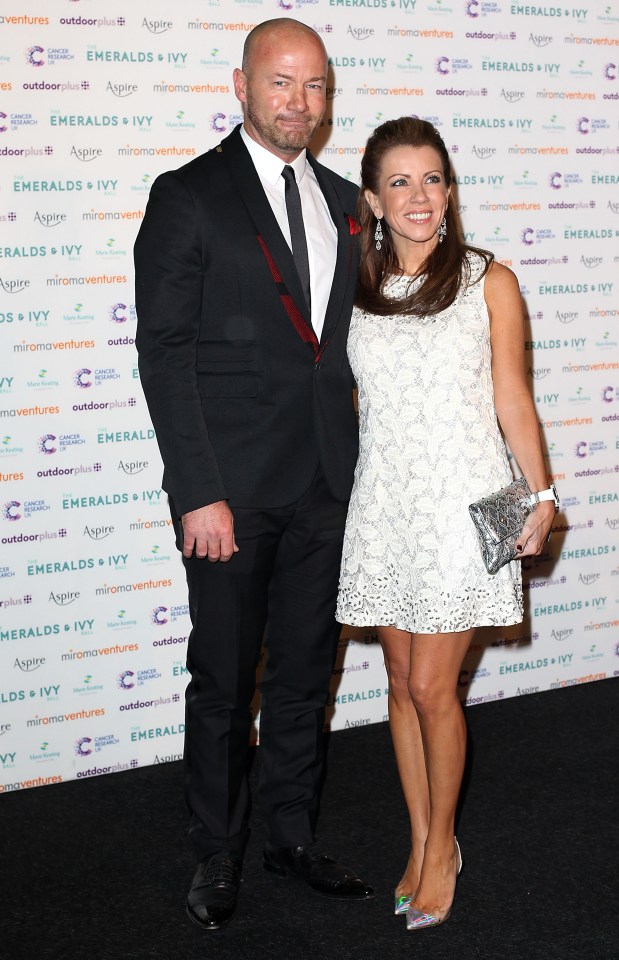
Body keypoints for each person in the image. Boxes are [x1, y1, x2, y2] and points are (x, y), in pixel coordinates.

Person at [134, 18, 374, 930]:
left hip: (325, 486)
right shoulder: (188, 195)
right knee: (225, 683)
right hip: (227, 495)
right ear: (241, 87)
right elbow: (165, 353)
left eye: (313, 86)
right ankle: (216, 850)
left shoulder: (350, 202)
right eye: (280, 83)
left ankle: (289, 837)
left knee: (306, 679)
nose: (297, 103)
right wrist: (197, 491)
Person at [336, 117, 557, 931]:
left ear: (449, 191)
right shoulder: (355, 287)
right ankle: (423, 835)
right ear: (372, 200)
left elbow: (512, 399)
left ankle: (441, 852)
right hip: (385, 506)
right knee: (397, 685)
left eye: (431, 179)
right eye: (399, 181)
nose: (418, 195)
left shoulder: (484, 280)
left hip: (463, 509)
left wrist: (539, 497)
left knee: (433, 688)